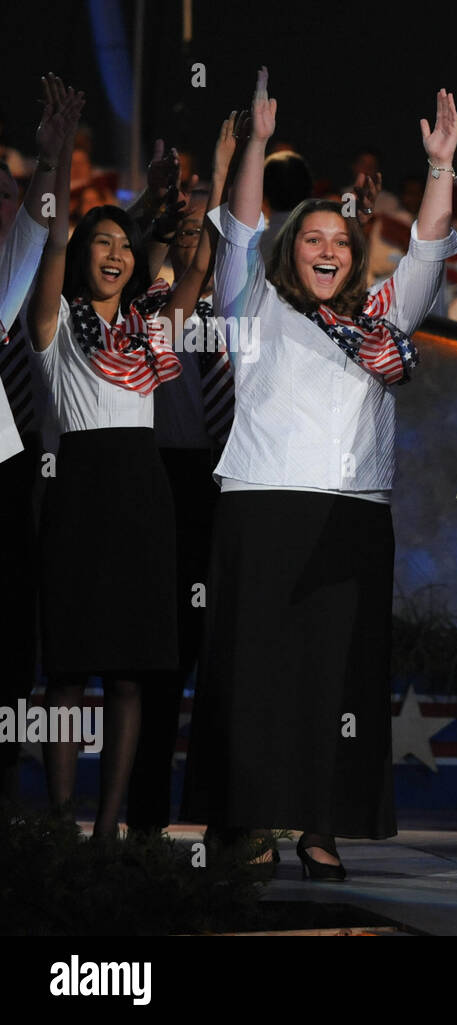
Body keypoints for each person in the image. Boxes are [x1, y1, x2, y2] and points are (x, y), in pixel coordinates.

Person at [181, 68, 457, 878]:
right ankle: (244, 824)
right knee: (253, 674)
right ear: (289, 250)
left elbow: (432, 248)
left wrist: (441, 164)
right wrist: (259, 146)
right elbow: (236, 232)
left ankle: (322, 824)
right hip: (260, 510)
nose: (328, 250)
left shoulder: (384, 319)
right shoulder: (250, 308)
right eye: (312, 239)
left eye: (341, 242)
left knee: (337, 679)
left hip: (352, 516)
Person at [28, 77, 194, 842]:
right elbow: (52, 236)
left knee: (131, 671)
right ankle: (60, 823)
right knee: (67, 672)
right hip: (78, 491)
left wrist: (173, 200)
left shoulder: (147, 325)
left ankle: (107, 833)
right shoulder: (57, 323)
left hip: (142, 492)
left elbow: (177, 261)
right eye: (105, 241)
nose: (117, 253)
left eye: (125, 245)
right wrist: (58, 156)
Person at [126, 113, 242, 836]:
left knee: (225, 661)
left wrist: (229, 169)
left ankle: (226, 819)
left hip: (233, 489)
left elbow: (227, 247)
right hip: (168, 486)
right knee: (163, 660)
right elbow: (148, 252)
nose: (199, 245)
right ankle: (142, 819)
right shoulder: (150, 316)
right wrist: (166, 200)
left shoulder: (240, 316)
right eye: (187, 235)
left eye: (210, 233)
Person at [0, 76, 81, 802]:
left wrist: (51, 159)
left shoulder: (21, 281)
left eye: (6, 188)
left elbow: (35, 234)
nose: (3, 201)